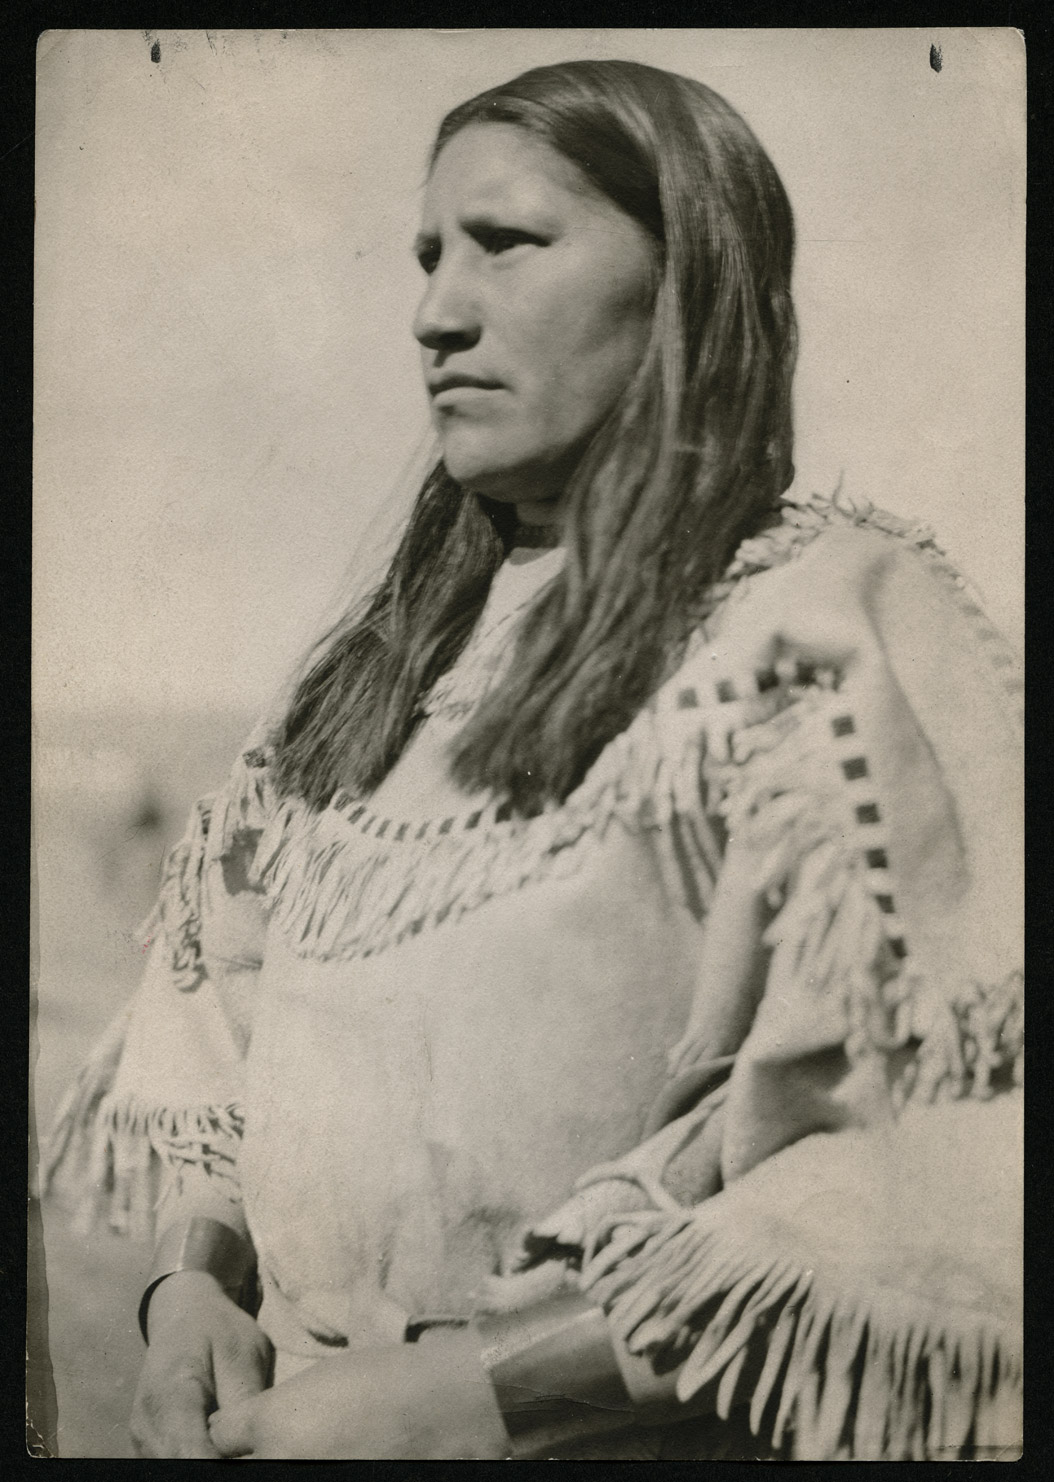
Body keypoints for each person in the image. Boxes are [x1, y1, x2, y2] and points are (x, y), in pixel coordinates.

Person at [42, 59, 1023, 1460]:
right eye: (429, 257)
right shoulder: (376, 668)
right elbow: (223, 1006)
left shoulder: (827, 628)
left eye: (506, 244)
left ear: (686, 272)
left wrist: (479, 1394)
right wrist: (192, 1279)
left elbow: (935, 1163)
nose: (436, 312)